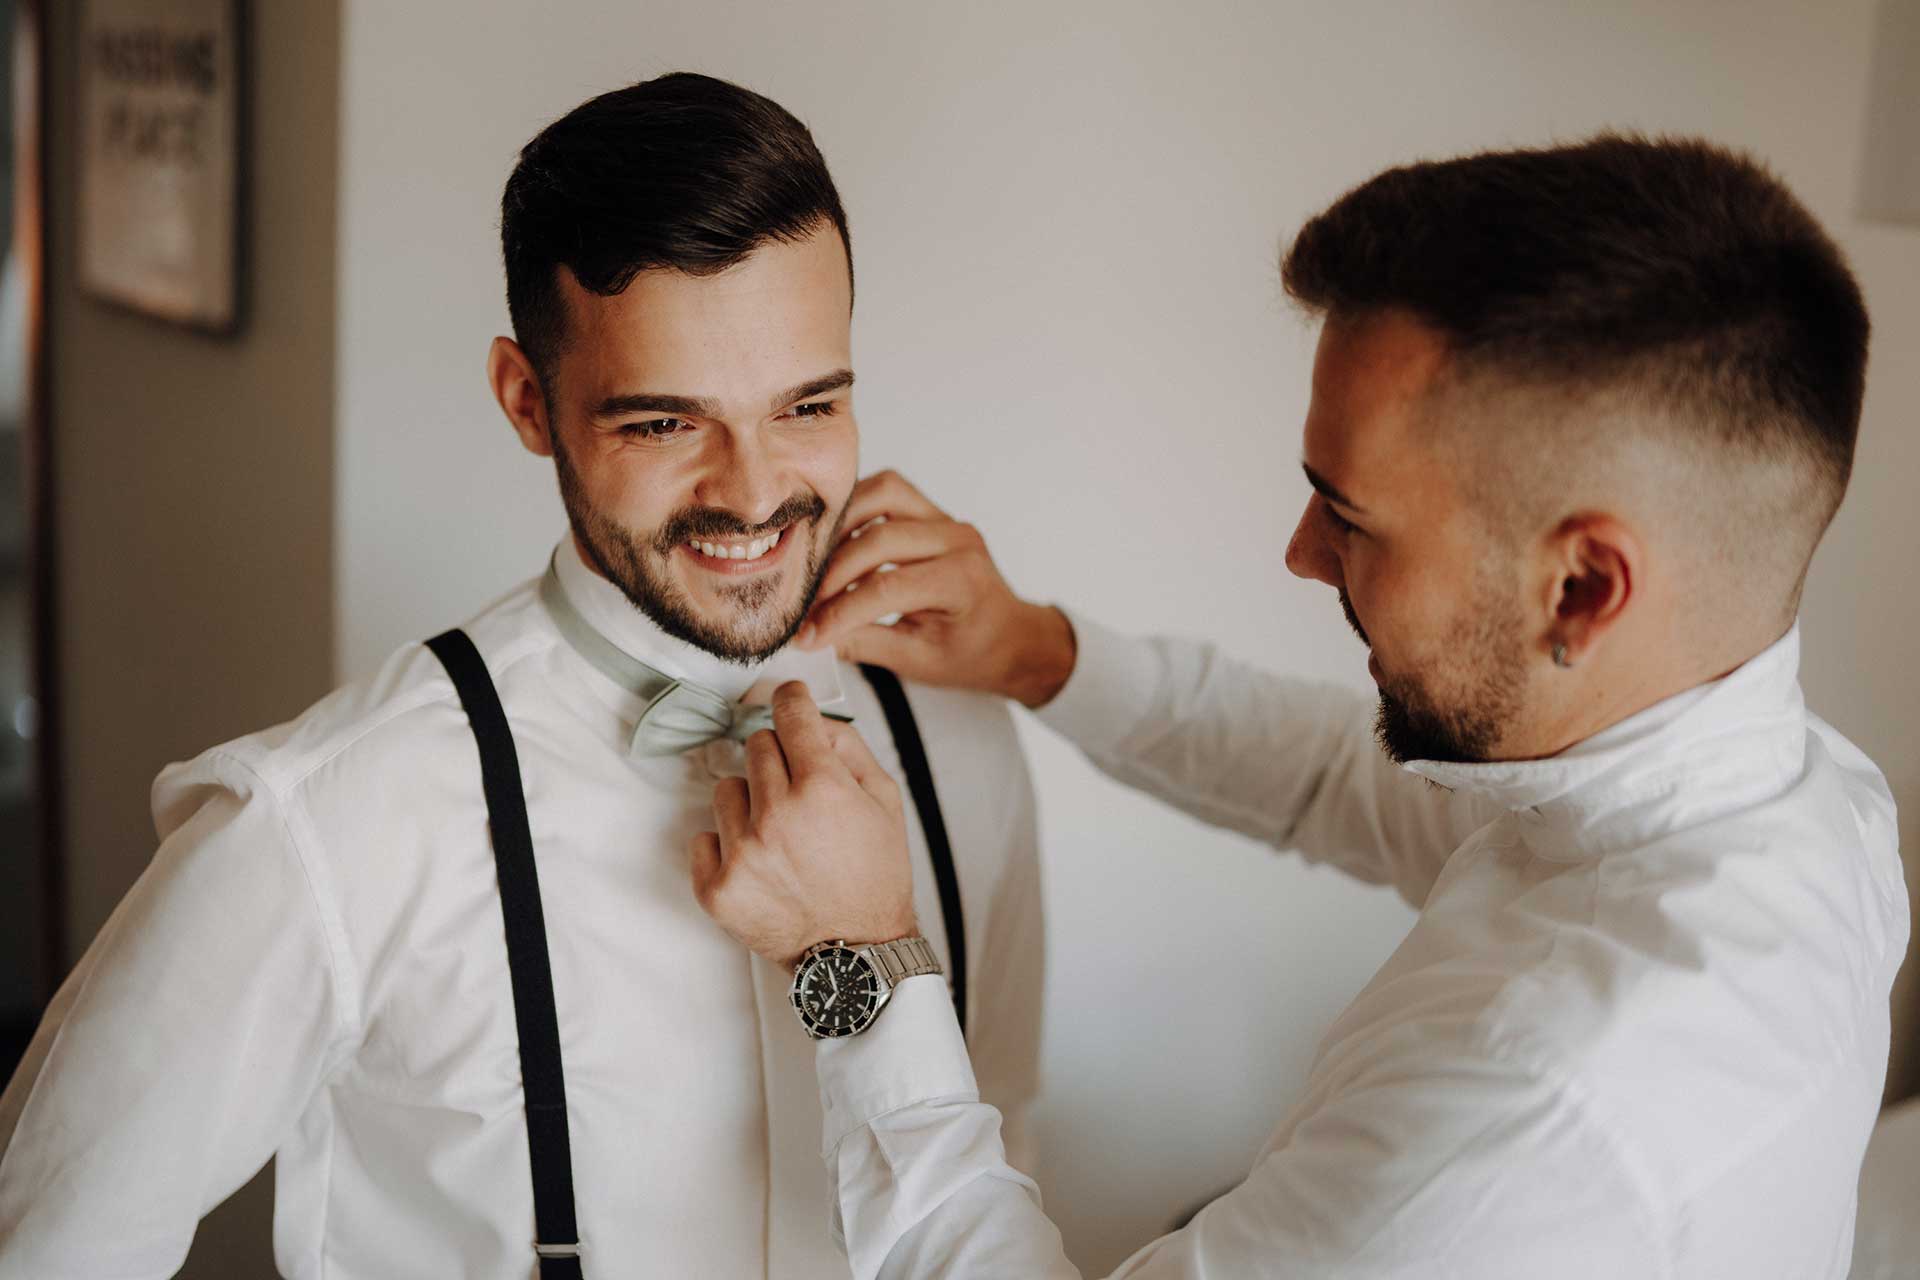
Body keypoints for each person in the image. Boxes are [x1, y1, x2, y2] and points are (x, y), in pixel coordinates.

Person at [692, 134, 1908, 1278]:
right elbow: (1342, 779)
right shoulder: (1805, 796)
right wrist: (1038, 653)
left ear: (1583, 585)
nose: (1300, 553)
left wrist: (851, 956)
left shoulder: (1528, 1118)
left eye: (1351, 515)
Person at [0, 73, 1044, 1279]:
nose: (756, 493)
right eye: (664, 423)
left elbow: (997, 1150)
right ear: (525, 400)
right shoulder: (329, 819)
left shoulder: (960, 731)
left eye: (809, 404)